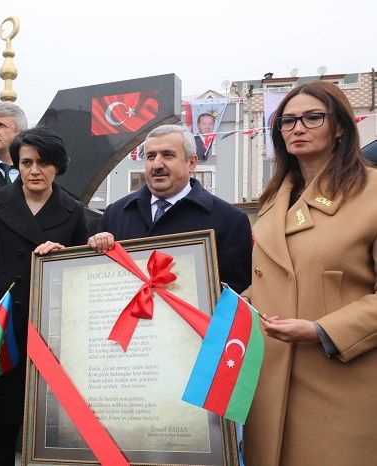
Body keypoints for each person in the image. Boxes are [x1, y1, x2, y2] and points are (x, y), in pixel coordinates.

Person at [243, 81, 377, 465]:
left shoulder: (372, 194)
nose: (297, 128)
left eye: (313, 117)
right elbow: (271, 283)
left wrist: (322, 330)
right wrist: (230, 306)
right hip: (267, 384)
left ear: (340, 127)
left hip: (341, 384)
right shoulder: (274, 199)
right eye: (287, 121)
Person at [0, 127, 88, 465]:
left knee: (41, 424)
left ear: (58, 166)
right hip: (0, 329)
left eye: (43, 163)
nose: (34, 170)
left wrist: (62, 256)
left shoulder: (73, 210)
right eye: (26, 162)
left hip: (48, 333)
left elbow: (81, 275)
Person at [89, 124, 252, 293]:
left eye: (168, 155)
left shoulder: (230, 220)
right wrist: (94, 249)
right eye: (151, 156)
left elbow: (235, 293)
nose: (157, 165)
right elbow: (96, 279)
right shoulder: (114, 214)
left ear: (192, 163)